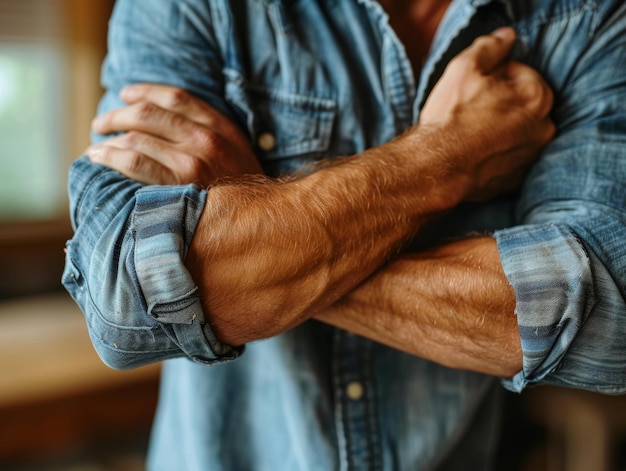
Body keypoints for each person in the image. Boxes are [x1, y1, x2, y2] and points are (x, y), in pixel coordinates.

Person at [63, 0, 626, 469]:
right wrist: (449, 154)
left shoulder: (589, 19)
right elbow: (125, 305)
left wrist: (260, 229)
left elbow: (603, 323)